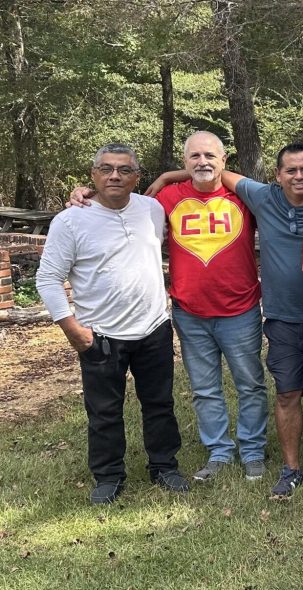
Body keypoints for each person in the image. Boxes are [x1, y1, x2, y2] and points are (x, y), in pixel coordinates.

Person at [141, 144, 303, 499]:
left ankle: (292, 452)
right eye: (290, 171)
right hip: (239, 314)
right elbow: (206, 175)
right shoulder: (253, 197)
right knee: (255, 391)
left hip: (290, 312)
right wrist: (163, 178)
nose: (298, 177)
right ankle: (247, 458)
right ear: (277, 175)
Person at [37, 144, 189, 503]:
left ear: (137, 177)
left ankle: (164, 466)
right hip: (100, 333)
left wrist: (168, 175)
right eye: (106, 169)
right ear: (92, 176)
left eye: (124, 170)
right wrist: (72, 329)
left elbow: (204, 173)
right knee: (104, 410)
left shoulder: (152, 209)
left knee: (160, 404)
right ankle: (108, 476)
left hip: (153, 326)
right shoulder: (71, 220)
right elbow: (47, 278)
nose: (114, 176)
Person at [159, 131, 268, 482]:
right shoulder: (167, 197)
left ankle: (252, 451)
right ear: (184, 162)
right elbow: (125, 205)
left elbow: (283, 196)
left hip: (241, 309)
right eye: (194, 157)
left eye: (210, 156)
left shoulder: (243, 197)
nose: (202, 162)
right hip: (190, 313)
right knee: (205, 389)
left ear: (224, 161)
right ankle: (219, 451)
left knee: (249, 384)